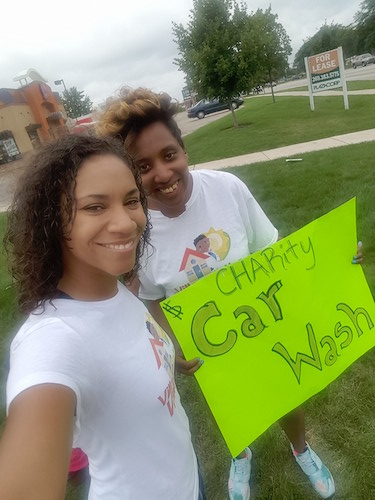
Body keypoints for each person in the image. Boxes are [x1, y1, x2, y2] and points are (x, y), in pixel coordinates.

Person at [96, 87, 344, 500]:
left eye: (169, 155)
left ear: (183, 148)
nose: (161, 173)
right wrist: (171, 344)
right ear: (129, 172)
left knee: (285, 392)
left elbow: (275, 252)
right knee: (230, 410)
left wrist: (334, 266)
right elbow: (152, 297)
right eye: (143, 165)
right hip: (210, 347)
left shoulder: (227, 188)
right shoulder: (137, 229)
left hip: (265, 324)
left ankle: (300, 447)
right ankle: (241, 453)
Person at [0, 134, 204, 499]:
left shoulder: (116, 290)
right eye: (95, 207)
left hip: (190, 482)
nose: (126, 223)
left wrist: (167, 360)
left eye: (131, 201)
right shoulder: (53, 340)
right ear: (52, 221)